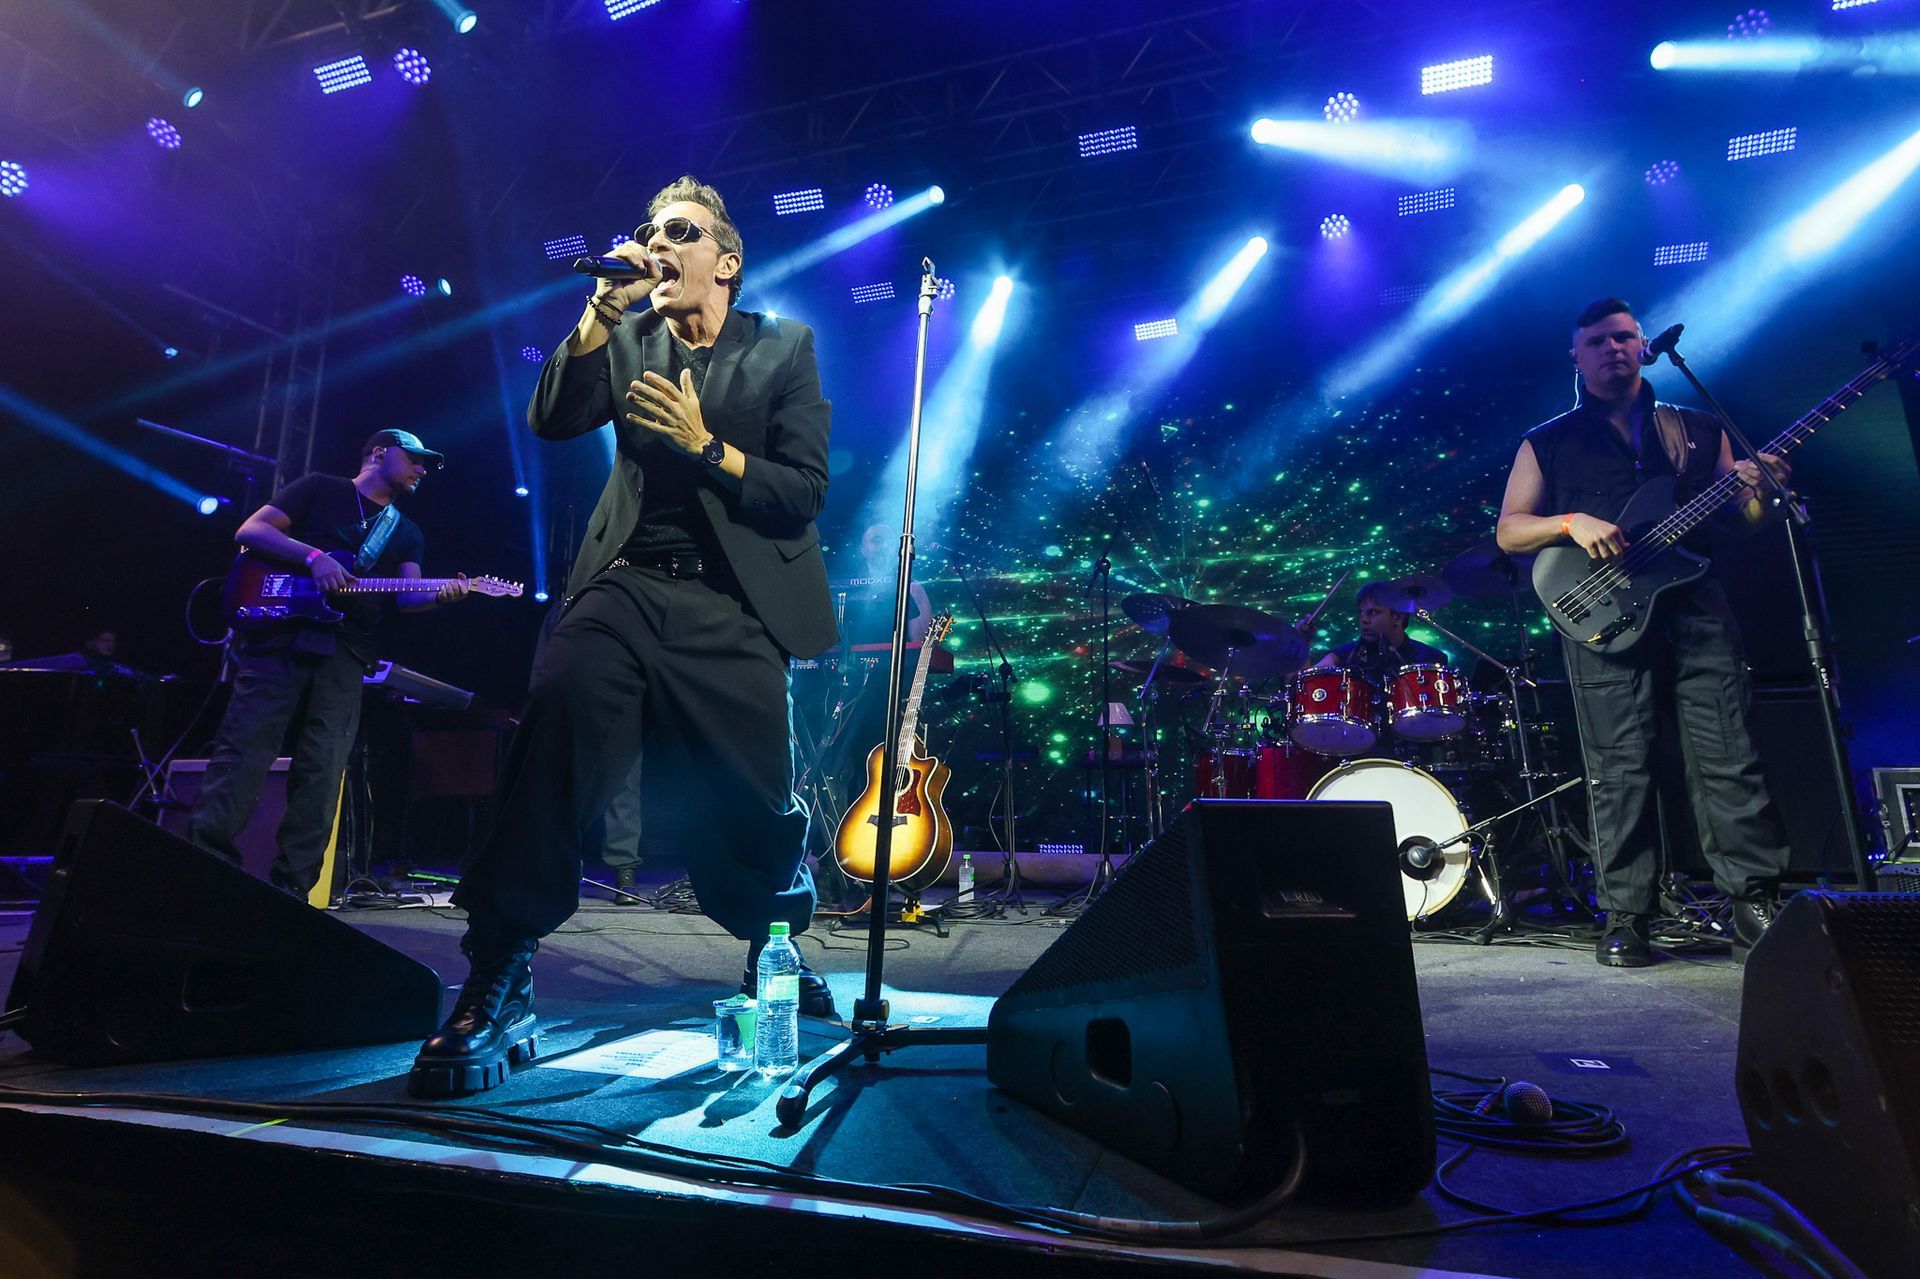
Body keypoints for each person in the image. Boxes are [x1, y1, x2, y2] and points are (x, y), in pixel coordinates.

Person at [412, 176, 837, 1097]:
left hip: (735, 604)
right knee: (557, 718)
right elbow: (552, 418)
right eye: (649, 230)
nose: (657, 241)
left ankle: (775, 950)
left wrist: (708, 446)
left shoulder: (785, 347)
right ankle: (500, 967)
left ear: (725, 261)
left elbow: (802, 489)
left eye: (679, 231)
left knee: (755, 800)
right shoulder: (629, 334)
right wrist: (599, 313)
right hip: (626, 585)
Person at [1495, 297, 1792, 968]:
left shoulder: (1694, 426)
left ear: (1644, 345)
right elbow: (1510, 529)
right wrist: (1569, 522)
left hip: (1695, 604)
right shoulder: (1550, 439)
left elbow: (1743, 517)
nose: (1614, 348)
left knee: (1728, 753)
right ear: (1576, 356)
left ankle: (1753, 899)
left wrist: (1761, 488)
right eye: (1597, 340)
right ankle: (1627, 915)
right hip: (1602, 614)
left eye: (1625, 336)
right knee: (1618, 766)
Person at [187, 430, 468, 896]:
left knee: (323, 771)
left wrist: (448, 594)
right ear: (379, 453)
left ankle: (292, 891)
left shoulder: (407, 531)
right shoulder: (319, 487)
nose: (423, 469)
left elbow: (408, 597)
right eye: (415, 459)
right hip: (279, 637)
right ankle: (204, 871)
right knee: (243, 753)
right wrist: (315, 557)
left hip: (346, 652)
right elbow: (251, 530)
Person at [1311, 583, 1449, 688]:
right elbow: (1306, 682)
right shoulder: (1345, 655)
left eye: (1372, 613)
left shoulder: (1431, 659)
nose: (1364, 620)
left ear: (1398, 617)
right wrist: (1301, 643)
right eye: (1362, 613)